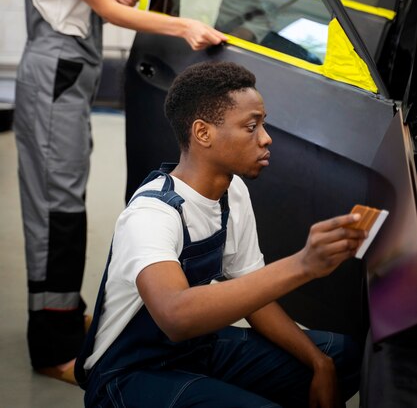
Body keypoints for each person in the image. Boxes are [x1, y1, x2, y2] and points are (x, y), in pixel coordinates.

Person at [13, 0, 226, 381]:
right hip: (55, 75)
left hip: (71, 76)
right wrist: (181, 26)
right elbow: (104, 15)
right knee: (56, 213)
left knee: (68, 202)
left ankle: (68, 313)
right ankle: (52, 347)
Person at [75, 60, 366, 407]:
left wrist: (320, 363)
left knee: (346, 356)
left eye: (264, 124)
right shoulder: (152, 214)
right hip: (128, 373)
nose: (266, 138)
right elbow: (176, 316)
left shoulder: (234, 192)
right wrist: (302, 265)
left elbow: (254, 294)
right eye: (251, 126)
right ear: (203, 133)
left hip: (197, 349)